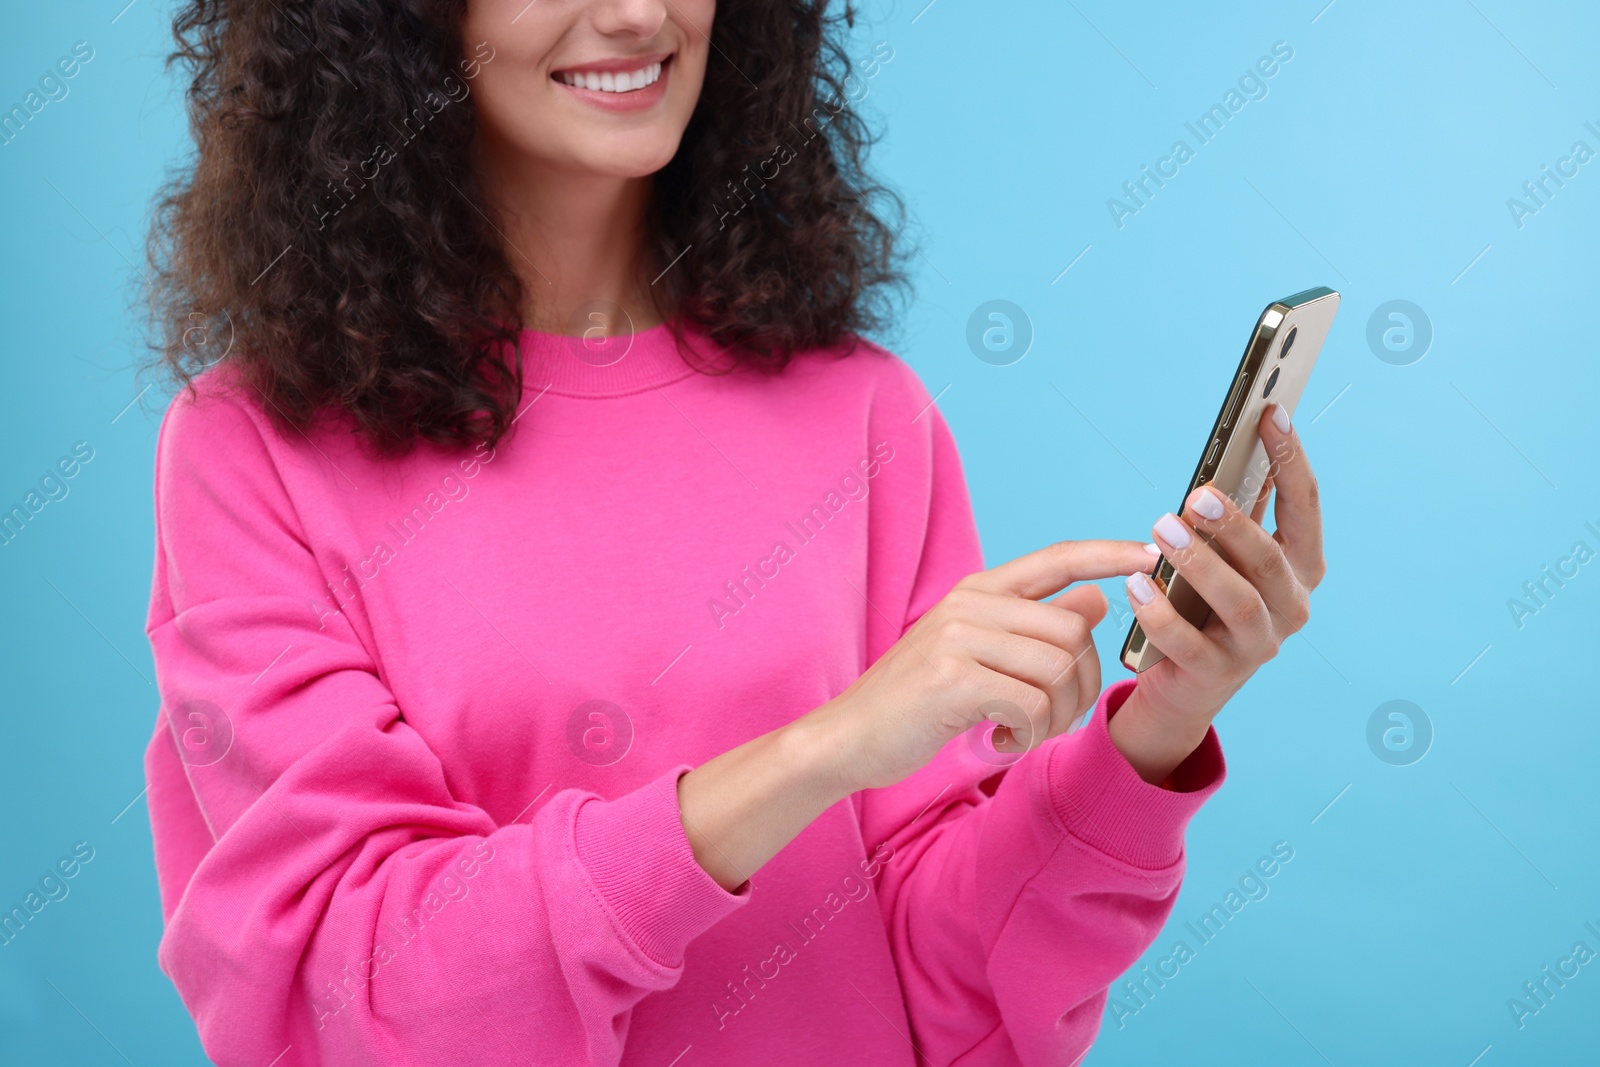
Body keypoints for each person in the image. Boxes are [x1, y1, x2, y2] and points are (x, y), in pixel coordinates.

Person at [138, 1, 1325, 1064]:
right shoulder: (252, 451)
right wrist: (822, 749)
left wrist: (1154, 732)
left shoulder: (866, 413)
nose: (639, 14)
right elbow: (356, 993)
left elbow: (954, 1005)